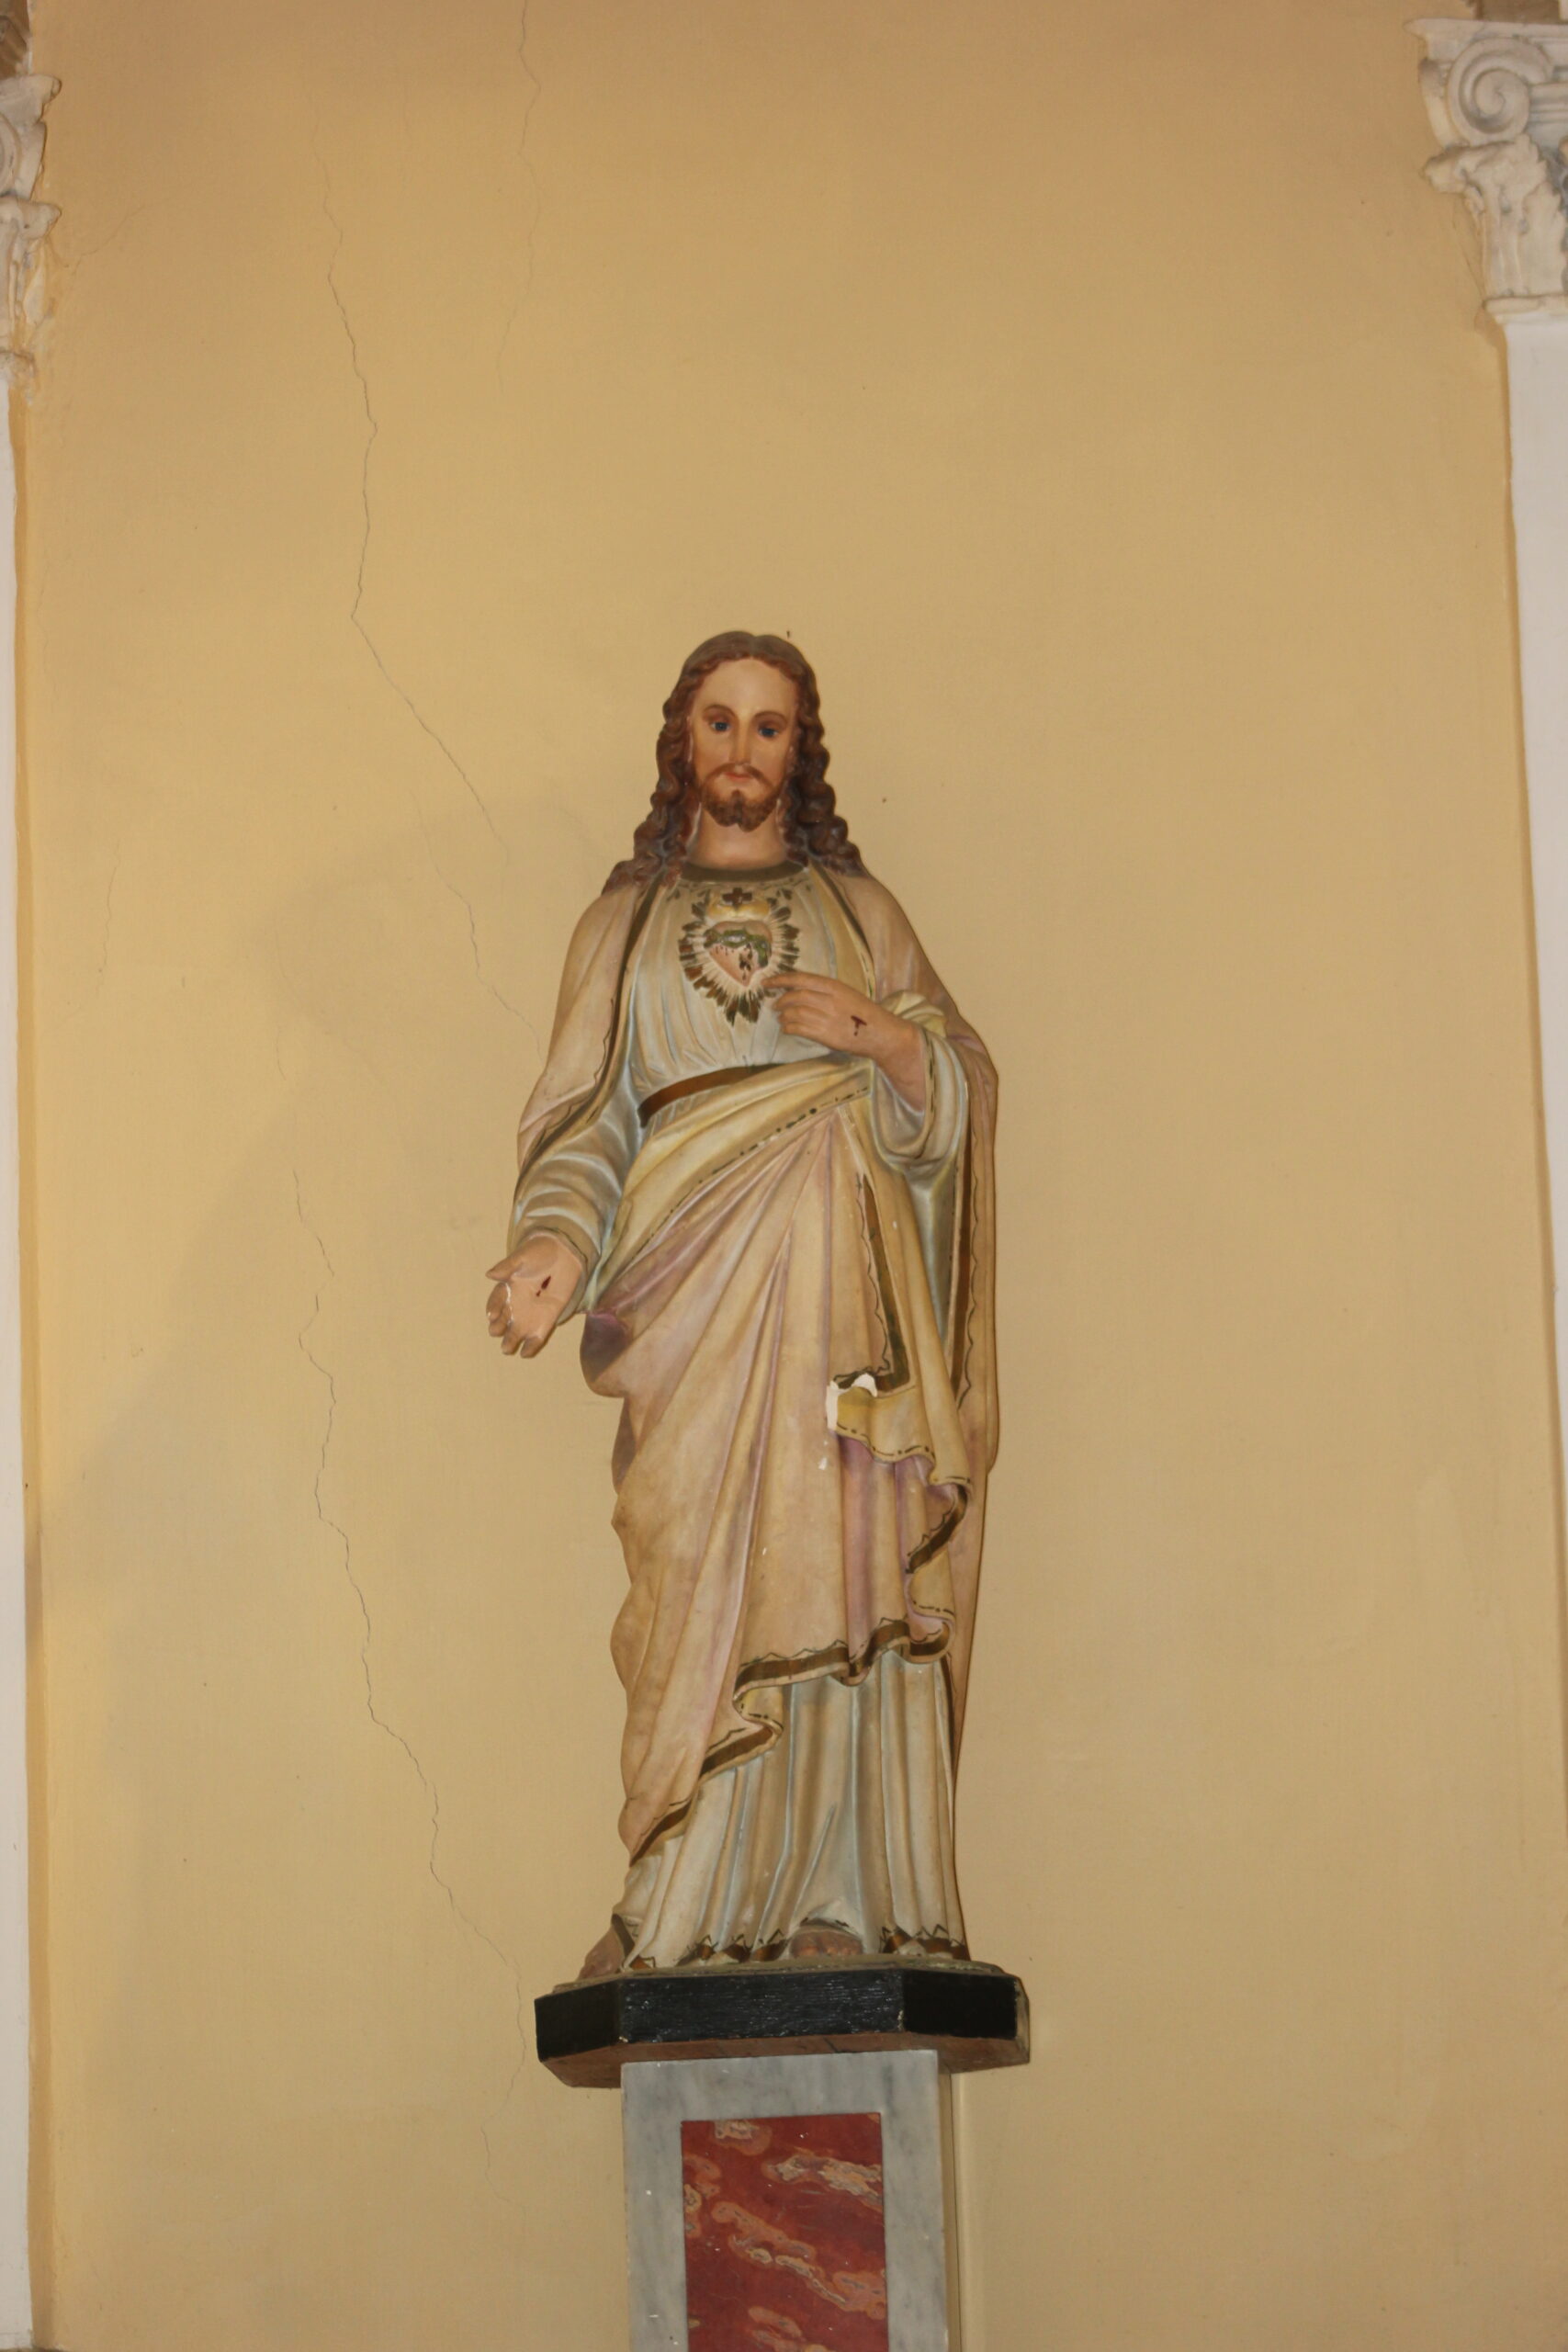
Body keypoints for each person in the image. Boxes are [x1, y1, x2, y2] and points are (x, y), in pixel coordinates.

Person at [487, 632, 998, 1978]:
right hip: (690, 1311)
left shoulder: (861, 914)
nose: (743, 750)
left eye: (770, 728)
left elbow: (958, 1091)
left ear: (799, 752)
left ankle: (844, 1896)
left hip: (843, 1314)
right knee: (691, 1585)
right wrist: (554, 1244)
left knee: (841, 1564)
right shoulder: (620, 929)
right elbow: (586, 1122)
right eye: (721, 721)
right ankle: (680, 1894)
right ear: (682, 741)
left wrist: (885, 1040)